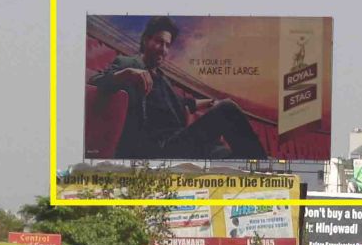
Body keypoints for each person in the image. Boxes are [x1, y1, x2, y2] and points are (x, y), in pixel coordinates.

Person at [90, 16, 268, 159]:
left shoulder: (163, 79)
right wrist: (128, 73)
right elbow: (96, 81)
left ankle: (266, 178)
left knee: (233, 156)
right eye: (159, 42)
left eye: (167, 45)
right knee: (227, 109)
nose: (163, 49)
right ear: (145, 40)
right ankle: (268, 172)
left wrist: (211, 102)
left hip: (181, 142)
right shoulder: (128, 64)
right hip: (158, 150)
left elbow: (184, 102)